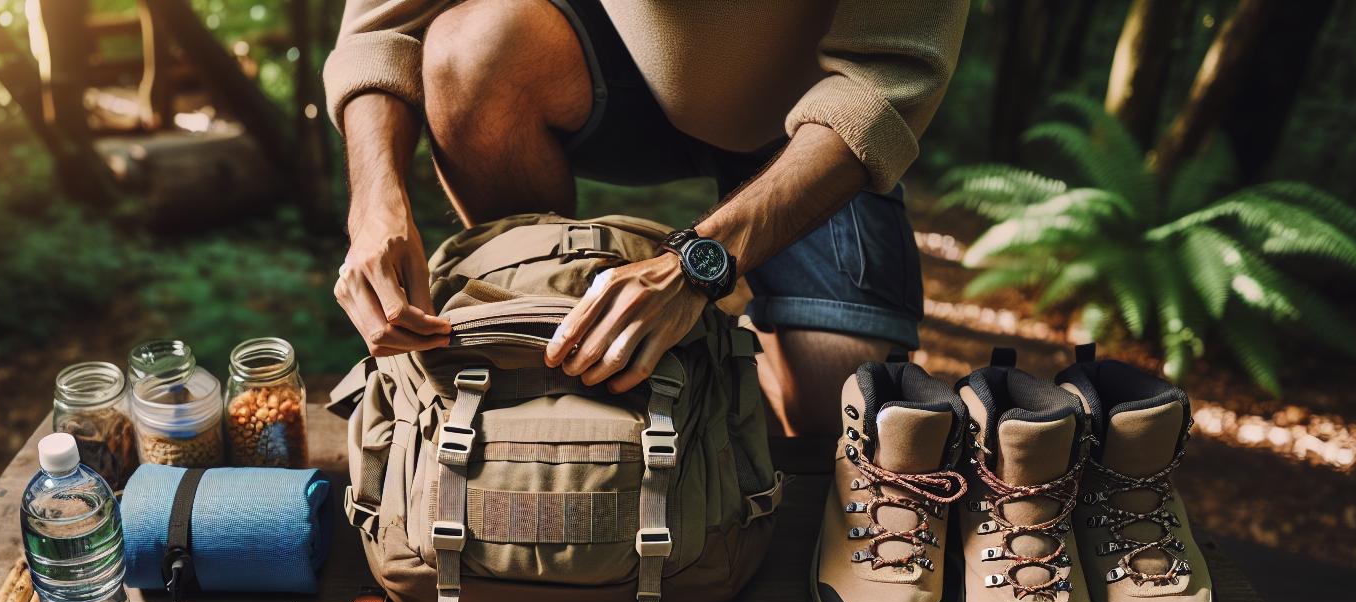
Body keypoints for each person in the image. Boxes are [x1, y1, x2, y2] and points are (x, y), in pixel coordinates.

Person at [323, 0, 969, 435]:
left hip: (813, 118)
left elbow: (883, 80)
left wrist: (695, 270)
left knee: (838, 411)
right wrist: (374, 206)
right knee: (470, 51)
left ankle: (723, 346)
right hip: (621, 73)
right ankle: (545, 346)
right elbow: (386, 22)